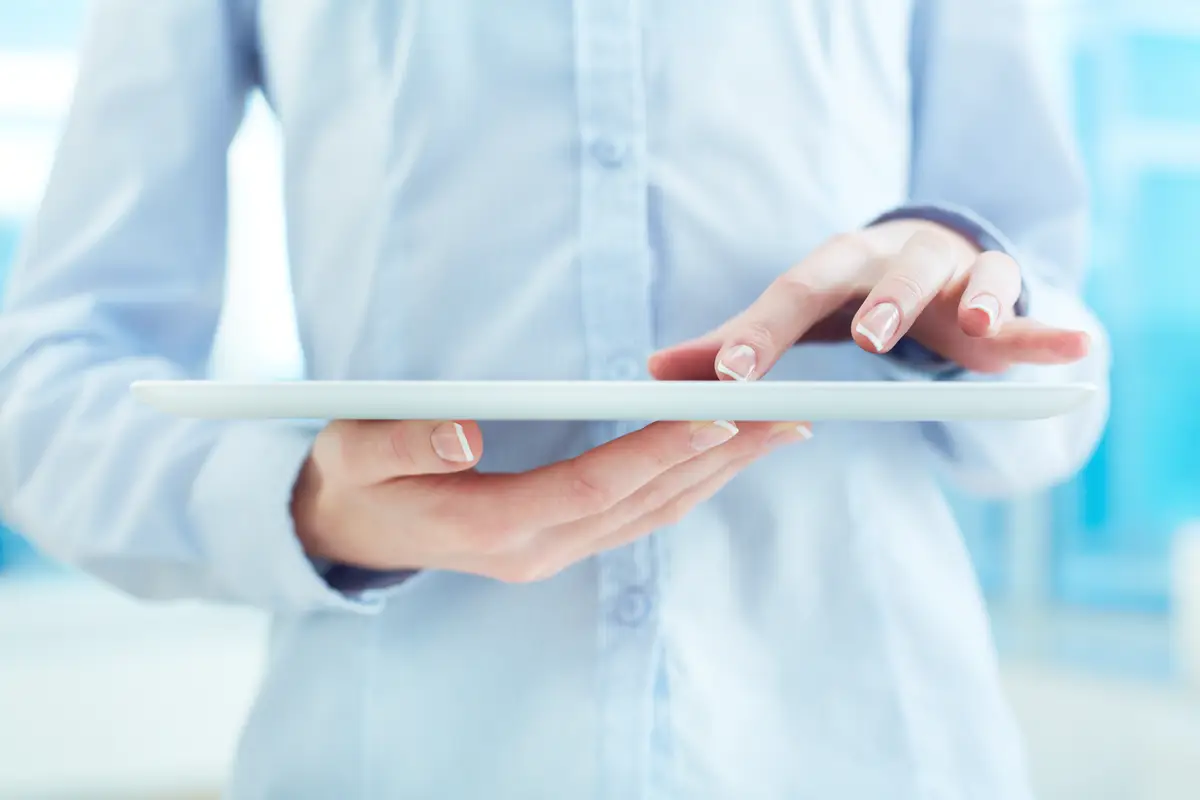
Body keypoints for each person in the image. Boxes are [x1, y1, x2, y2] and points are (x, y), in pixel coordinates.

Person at [0, 1, 1109, 798]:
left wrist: (960, 312)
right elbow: (48, 383)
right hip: (402, 752)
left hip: (869, 746)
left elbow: (1062, 375)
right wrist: (306, 504)